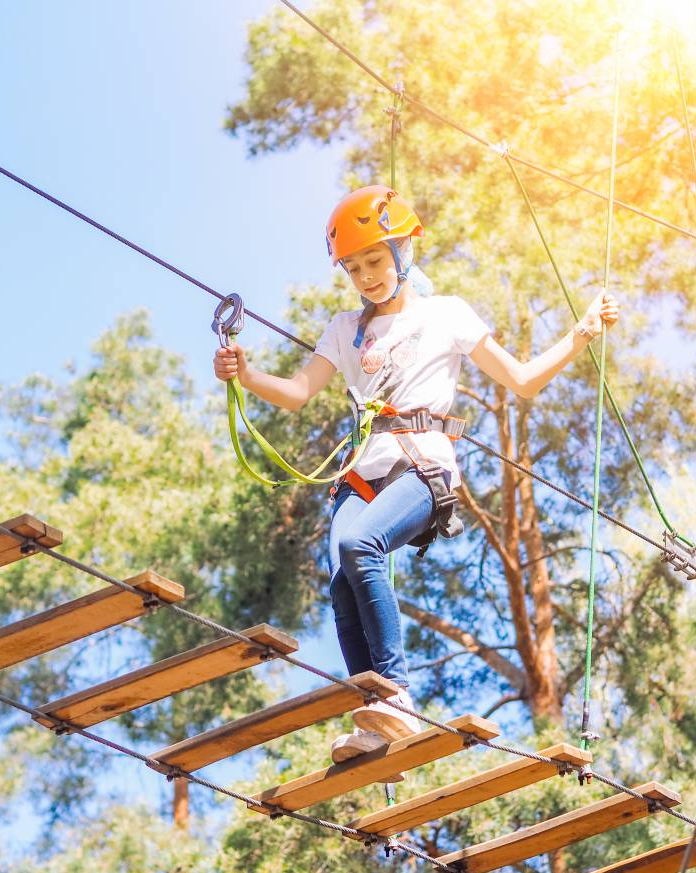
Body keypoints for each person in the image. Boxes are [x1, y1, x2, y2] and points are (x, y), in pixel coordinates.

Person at [213, 185, 619, 776]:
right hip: (361, 476)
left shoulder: (446, 314)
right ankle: (373, 720)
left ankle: (394, 693)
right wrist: (246, 374)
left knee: (359, 546)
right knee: (342, 585)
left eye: (374, 261)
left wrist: (580, 334)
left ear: (404, 251)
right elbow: (299, 394)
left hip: (422, 466)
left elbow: (524, 381)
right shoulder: (344, 328)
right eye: (353, 268)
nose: (365, 277)